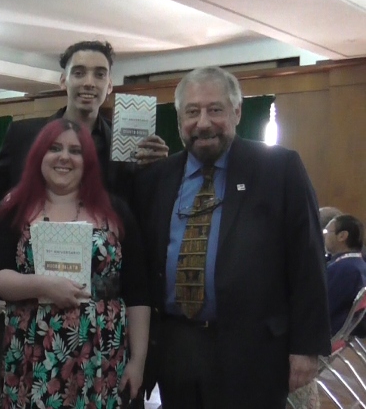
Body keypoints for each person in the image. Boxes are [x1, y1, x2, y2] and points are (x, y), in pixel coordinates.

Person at [133, 66, 330, 408]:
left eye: (215, 109)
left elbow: (307, 261)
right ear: (179, 120)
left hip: (254, 351)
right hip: (177, 347)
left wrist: (306, 348)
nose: (203, 123)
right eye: (192, 112)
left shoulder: (279, 169)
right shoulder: (156, 178)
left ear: (237, 112)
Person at [0, 118, 150, 408]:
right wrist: (43, 285)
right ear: (39, 156)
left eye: (75, 151)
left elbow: (138, 291)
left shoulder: (115, 210)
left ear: (88, 162)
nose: (64, 157)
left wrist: (138, 360)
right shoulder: (15, 209)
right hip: (32, 352)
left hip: (102, 353)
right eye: (54, 148)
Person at [0, 40, 168, 200]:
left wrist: (159, 169)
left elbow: (141, 202)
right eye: (79, 73)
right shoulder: (22, 135)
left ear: (109, 86)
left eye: (99, 75)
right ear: (63, 81)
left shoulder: (128, 143)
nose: (89, 83)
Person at [323, 214, 366, 336]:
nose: (324, 235)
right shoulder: (358, 264)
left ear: (342, 236)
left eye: (327, 231)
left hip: (325, 331)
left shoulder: (345, 269)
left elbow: (323, 307)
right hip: (340, 330)